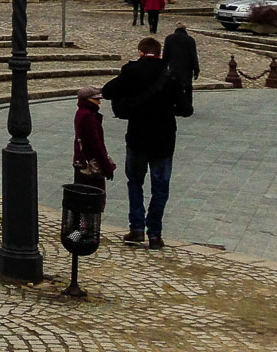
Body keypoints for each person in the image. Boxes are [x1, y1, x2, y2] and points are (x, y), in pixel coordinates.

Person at [101, 36, 183, 250]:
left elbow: (108, 91)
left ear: (140, 52)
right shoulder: (170, 73)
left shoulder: (131, 71)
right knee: (160, 188)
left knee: (135, 182)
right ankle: (155, 234)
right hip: (164, 139)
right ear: (159, 53)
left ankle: (136, 228)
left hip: (137, 136)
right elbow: (186, 108)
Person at [72, 85, 115, 195]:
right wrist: (106, 167)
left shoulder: (81, 113)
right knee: (93, 197)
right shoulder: (88, 116)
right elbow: (96, 144)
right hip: (89, 164)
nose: (99, 103)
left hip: (81, 161)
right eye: (96, 100)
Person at [163, 21, 199, 117]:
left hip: (174, 67)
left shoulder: (169, 38)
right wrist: (196, 69)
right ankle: (188, 107)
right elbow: (193, 55)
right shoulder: (190, 40)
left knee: (173, 87)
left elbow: (165, 54)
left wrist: (163, 67)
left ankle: (174, 106)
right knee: (187, 88)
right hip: (187, 68)